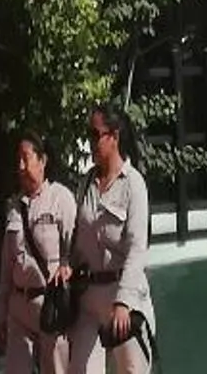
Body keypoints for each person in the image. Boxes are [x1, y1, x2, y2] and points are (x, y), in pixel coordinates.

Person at [66, 102, 155, 374]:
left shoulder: (133, 184)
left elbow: (137, 248)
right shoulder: (86, 183)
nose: (90, 142)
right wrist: (67, 264)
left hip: (122, 295)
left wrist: (123, 302)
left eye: (96, 135)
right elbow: (79, 235)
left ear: (114, 136)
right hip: (89, 296)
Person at [0, 129, 77, 374]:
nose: (21, 166)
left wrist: (67, 267)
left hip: (50, 307)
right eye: (17, 160)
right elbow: (6, 264)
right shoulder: (14, 206)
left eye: (26, 158)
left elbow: (76, 249)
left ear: (42, 161)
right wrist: (1, 314)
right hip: (19, 307)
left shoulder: (60, 199)